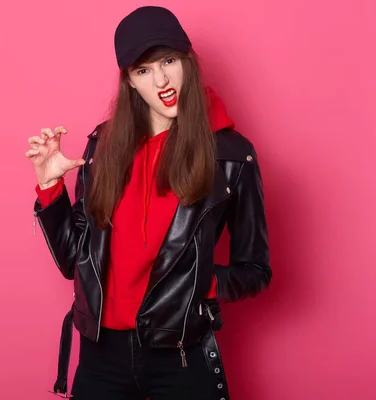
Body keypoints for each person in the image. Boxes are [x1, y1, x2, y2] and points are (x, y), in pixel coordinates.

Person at [26, 6, 271, 400]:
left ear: (187, 62)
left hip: (181, 355)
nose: (161, 80)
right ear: (130, 82)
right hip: (101, 353)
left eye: (169, 61)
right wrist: (50, 187)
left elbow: (255, 269)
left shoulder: (231, 156)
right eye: (143, 70)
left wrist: (200, 286)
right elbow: (75, 261)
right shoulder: (103, 147)